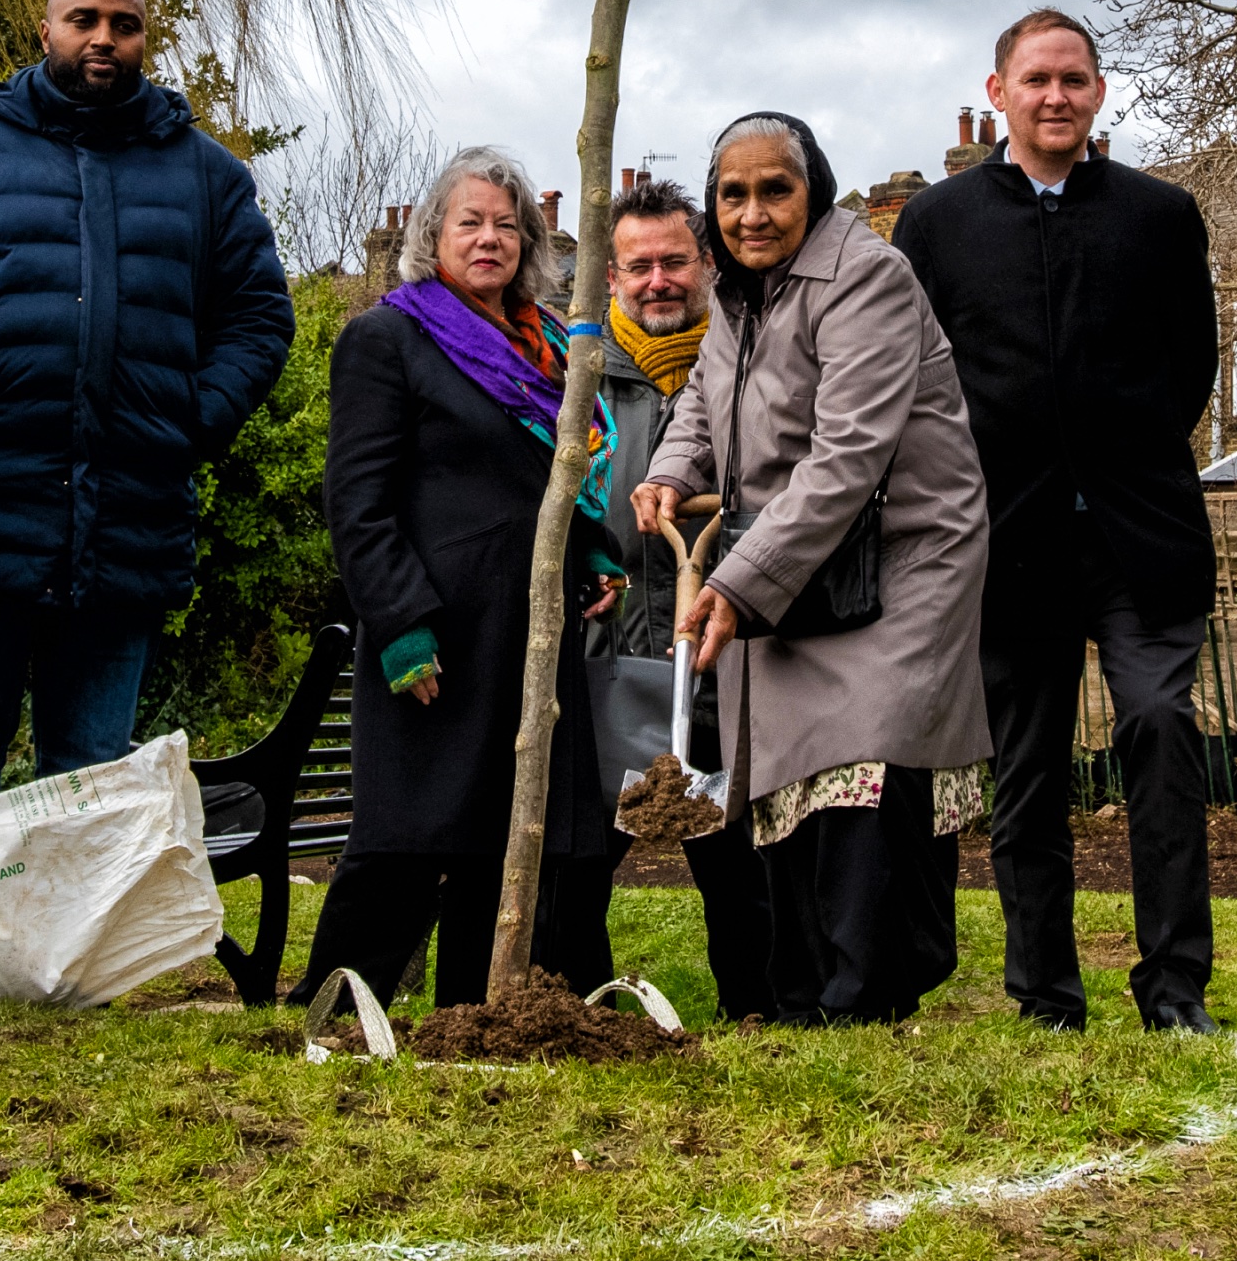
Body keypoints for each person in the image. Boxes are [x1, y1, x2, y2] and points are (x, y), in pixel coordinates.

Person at [0, 0, 294, 821]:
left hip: (125, 529)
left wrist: (190, 422)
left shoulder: (209, 177)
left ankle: (58, 964)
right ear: (46, 33)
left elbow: (259, 319)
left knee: (87, 785)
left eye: (124, 24)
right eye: (83, 20)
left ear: (145, 39)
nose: (104, 37)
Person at [890, 11, 1227, 1037]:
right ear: (998, 93)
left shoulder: (1161, 216)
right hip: (1004, 539)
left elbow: (1193, 366)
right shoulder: (935, 225)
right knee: (1028, 772)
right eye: (1036, 79)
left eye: (1074, 79)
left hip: (1142, 533)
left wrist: (1119, 450)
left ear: (1099, 91)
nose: (1056, 96)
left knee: (1161, 734)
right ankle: (1046, 993)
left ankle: (1174, 990)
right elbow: (917, 378)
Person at [631, 113, 990, 1026]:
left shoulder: (866, 276)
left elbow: (848, 457)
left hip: (903, 556)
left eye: (774, 190)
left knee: (867, 762)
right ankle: (804, 999)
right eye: (732, 194)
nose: (752, 214)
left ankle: (867, 996)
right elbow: (706, 402)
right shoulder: (740, 295)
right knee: (790, 781)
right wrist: (673, 472)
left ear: (814, 190)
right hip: (802, 560)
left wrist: (738, 584)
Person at [294, 148, 621, 1010]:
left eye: (506, 224)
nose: (489, 239)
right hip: (435, 634)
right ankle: (332, 1011)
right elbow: (357, 503)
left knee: (517, 832)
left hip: (528, 630)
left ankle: (484, 1012)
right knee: (412, 832)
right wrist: (400, 622)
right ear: (431, 234)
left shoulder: (555, 348)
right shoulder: (388, 336)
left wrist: (590, 552)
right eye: (468, 222)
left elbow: (551, 481)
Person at [582, 174, 777, 1019]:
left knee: (737, 855)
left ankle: (761, 1007)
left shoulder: (746, 363)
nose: (656, 280)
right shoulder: (578, 376)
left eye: (673, 261)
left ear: (706, 263)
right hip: (612, 650)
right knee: (582, 851)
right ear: (613, 277)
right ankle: (569, 999)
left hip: (724, 647)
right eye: (638, 266)